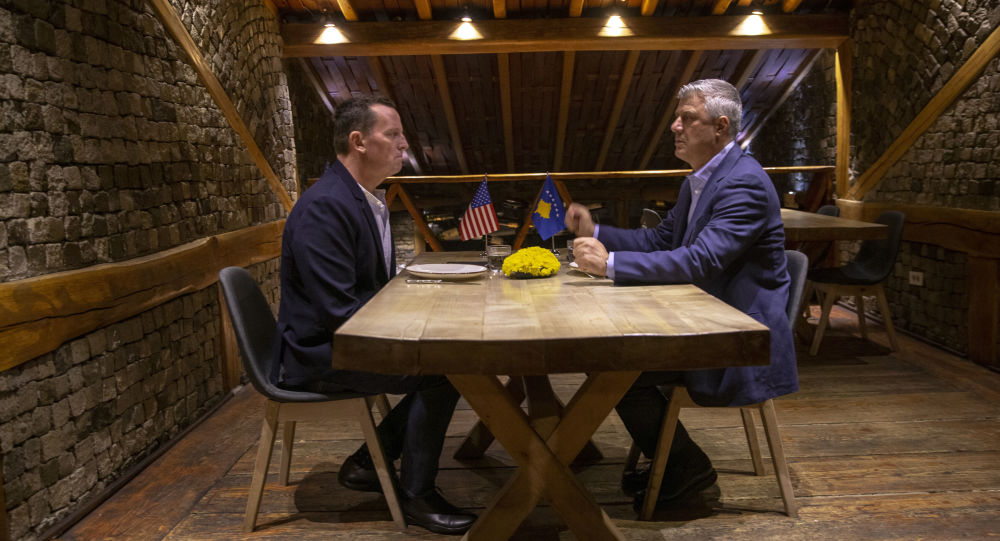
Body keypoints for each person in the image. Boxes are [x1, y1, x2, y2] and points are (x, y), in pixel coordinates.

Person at [565, 79, 798, 512]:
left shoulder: (743, 183)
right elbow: (661, 241)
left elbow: (701, 260)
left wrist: (610, 264)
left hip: (739, 336)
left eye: (687, 118)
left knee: (613, 366)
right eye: (677, 117)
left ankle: (686, 469)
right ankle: (672, 465)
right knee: (607, 361)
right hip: (703, 319)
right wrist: (596, 231)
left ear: (721, 127)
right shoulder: (704, 179)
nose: (674, 126)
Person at [273, 96, 476, 535]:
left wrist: (420, 307)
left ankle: (368, 462)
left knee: (447, 363)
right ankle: (417, 495)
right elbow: (340, 312)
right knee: (444, 371)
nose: (405, 144)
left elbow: (368, 294)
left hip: (341, 338)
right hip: (318, 353)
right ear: (358, 141)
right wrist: (418, 323)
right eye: (393, 134)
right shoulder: (326, 206)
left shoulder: (357, 197)